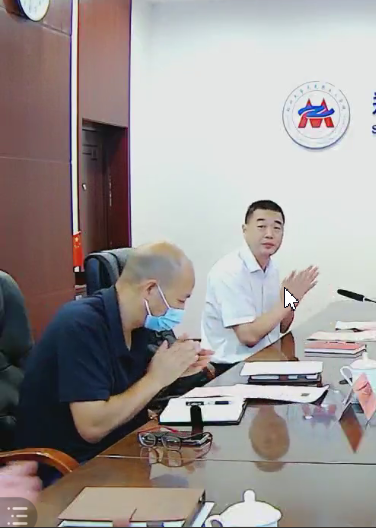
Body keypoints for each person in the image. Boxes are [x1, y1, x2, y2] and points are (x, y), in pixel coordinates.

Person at [14, 242, 211, 481]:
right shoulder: (80, 325)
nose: (181, 310)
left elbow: (130, 395)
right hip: (68, 470)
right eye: (181, 300)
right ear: (150, 289)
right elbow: (92, 427)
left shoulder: (140, 326)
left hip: (122, 453)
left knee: (197, 480)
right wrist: (156, 378)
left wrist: (176, 369)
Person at [202, 200, 318, 373]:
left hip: (267, 359)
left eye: (277, 228)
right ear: (245, 230)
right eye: (261, 227)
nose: (269, 234)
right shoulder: (229, 272)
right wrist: (285, 303)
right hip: (231, 367)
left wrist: (292, 299)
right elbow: (248, 336)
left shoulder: (272, 267)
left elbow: (282, 326)